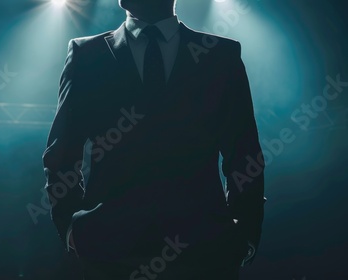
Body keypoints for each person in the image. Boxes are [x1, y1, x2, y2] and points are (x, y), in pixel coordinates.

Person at [42, 0, 266, 279]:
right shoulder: (87, 54)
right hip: (109, 252)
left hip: (202, 252)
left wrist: (244, 233)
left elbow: (244, 153)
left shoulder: (221, 54)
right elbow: (61, 152)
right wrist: (71, 227)